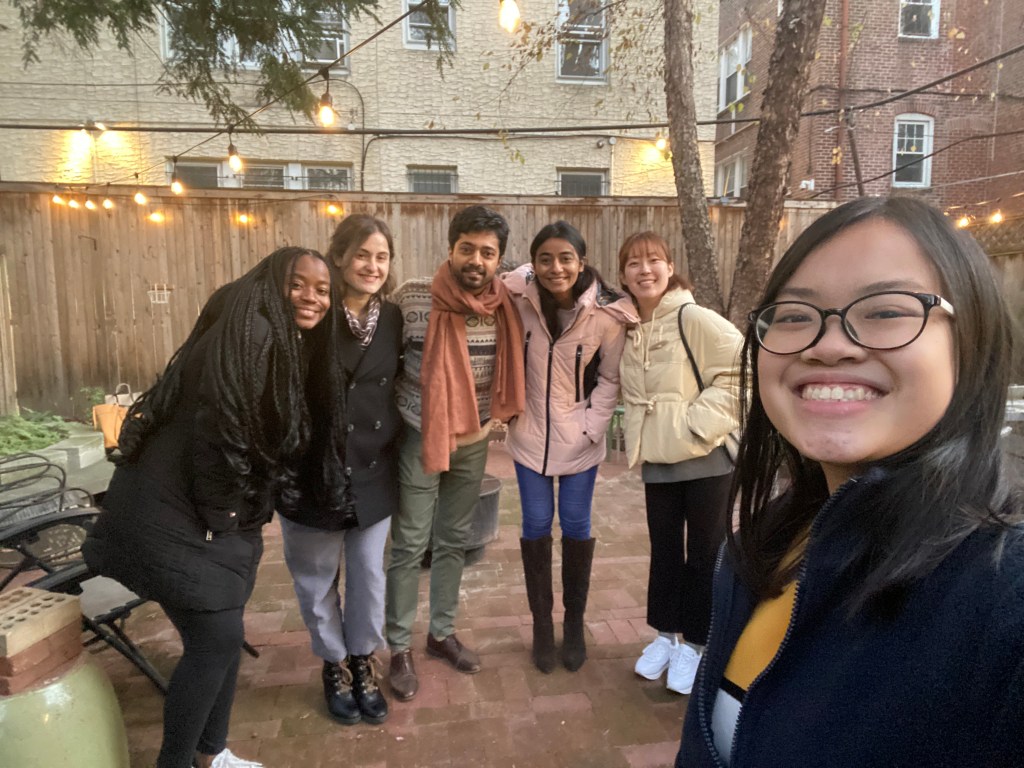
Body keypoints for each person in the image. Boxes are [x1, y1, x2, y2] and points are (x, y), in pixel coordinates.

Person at [677, 196, 1024, 767]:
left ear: (972, 341)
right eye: (792, 315)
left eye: (886, 311)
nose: (828, 345)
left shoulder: (1002, 599)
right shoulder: (771, 539)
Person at [83, 247, 345, 768]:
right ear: (273, 283)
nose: (312, 297)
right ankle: (180, 761)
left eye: (322, 289)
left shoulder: (257, 331)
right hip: (171, 516)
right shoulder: (255, 336)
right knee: (215, 639)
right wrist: (223, 519)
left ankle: (212, 754)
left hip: (187, 513)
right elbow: (219, 439)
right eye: (299, 284)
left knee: (222, 637)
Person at [385, 205, 525, 700]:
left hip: (475, 438)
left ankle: (440, 632)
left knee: (453, 541)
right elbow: (384, 362)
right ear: (451, 249)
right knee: (409, 543)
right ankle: (398, 645)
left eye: (488, 253)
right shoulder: (412, 298)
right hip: (419, 436)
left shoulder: (506, 302)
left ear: (499, 260)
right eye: (468, 248)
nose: (477, 260)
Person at [277, 215, 403, 726]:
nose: (372, 266)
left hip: (373, 469)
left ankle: (362, 660)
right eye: (362, 255)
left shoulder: (393, 318)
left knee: (370, 577)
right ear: (340, 257)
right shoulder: (309, 314)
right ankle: (333, 663)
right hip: (312, 471)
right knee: (315, 579)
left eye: (382, 257)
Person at [502, 221, 637, 673]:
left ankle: (574, 624)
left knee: (576, 524)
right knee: (537, 523)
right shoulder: (519, 295)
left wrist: (590, 429)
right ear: (533, 262)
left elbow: (611, 379)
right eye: (545, 258)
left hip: (578, 440)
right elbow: (490, 280)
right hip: (528, 438)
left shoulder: (607, 313)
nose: (555, 268)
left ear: (581, 262)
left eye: (565, 259)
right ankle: (543, 626)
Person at [618, 231, 743, 695]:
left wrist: (695, 424)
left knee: (705, 555)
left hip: (706, 458)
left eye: (654, 260)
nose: (644, 269)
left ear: (670, 268)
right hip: (658, 461)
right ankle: (666, 636)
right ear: (623, 275)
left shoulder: (695, 318)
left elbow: (741, 371)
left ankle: (697, 644)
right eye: (633, 263)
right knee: (665, 552)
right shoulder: (630, 328)